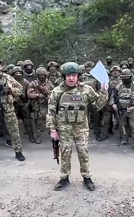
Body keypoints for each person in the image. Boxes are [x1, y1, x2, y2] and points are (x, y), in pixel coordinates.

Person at [46, 62, 108, 191]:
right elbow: (51, 111)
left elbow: (98, 105)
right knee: (65, 153)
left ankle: (86, 177)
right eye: (68, 75)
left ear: (78, 76)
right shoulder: (57, 91)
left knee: (83, 152)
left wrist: (103, 91)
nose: (71, 78)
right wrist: (52, 129)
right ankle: (64, 178)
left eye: (74, 75)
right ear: (64, 76)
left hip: (81, 127)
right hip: (64, 128)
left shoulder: (86, 89)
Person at [110, 69, 134, 150]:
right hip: (121, 110)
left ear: (130, 77)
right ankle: (124, 139)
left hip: (132, 110)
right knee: (122, 125)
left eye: (127, 77)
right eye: (123, 77)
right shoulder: (118, 86)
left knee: (133, 126)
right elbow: (112, 97)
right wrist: (113, 104)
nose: (125, 79)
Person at [27, 67, 55, 144]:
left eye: (44, 75)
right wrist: (38, 95)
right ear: (37, 75)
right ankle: (38, 137)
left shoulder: (49, 83)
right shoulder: (33, 83)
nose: (42, 77)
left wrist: (47, 96)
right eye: (40, 75)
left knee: (51, 122)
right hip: (37, 105)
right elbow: (29, 94)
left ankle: (53, 137)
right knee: (38, 123)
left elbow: (53, 93)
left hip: (48, 105)